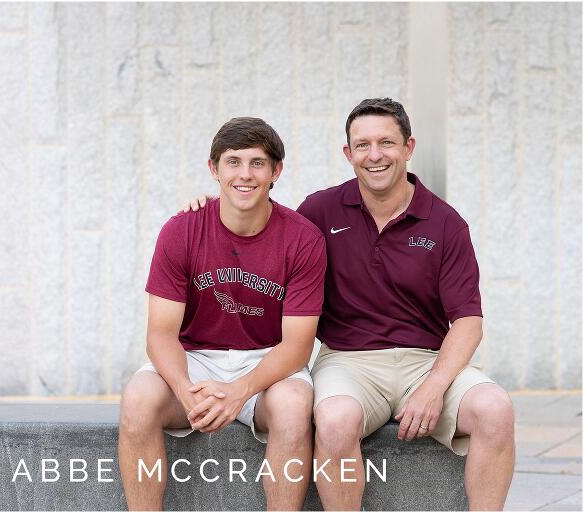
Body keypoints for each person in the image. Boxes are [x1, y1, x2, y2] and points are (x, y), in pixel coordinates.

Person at [185, 99, 516, 511]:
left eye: (386, 143)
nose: (374, 155)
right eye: (362, 145)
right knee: (336, 420)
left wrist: (434, 387)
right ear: (348, 154)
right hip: (347, 361)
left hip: (427, 361)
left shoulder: (445, 222)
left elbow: (467, 320)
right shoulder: (320, 212)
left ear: (408, 147)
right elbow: (260, 222)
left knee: (496, 410)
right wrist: (212, 205)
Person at [118, 117, 327, 510]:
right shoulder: (181, 231)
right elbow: (160, 334)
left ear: (275, 171)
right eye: (233, 162)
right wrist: (185, 389)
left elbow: (297, 347)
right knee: (139, 398)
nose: (244, 174)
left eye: (257, 163)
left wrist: (239, 392)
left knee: (293, 407)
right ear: (214, 169)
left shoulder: (303, 238)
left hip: (267, 361)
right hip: (194, 360)